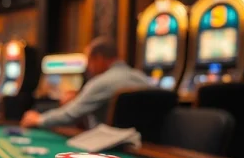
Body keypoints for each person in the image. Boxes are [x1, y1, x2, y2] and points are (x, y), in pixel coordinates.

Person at [20, 37, 151, 128]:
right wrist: (80, 96)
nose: (88, 67)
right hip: (148, 150)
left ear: (99, 58)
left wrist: (38, 119)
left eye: (89, 61)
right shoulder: (143, 78)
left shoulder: (101, 82)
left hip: (110, 148)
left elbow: (70, 114)